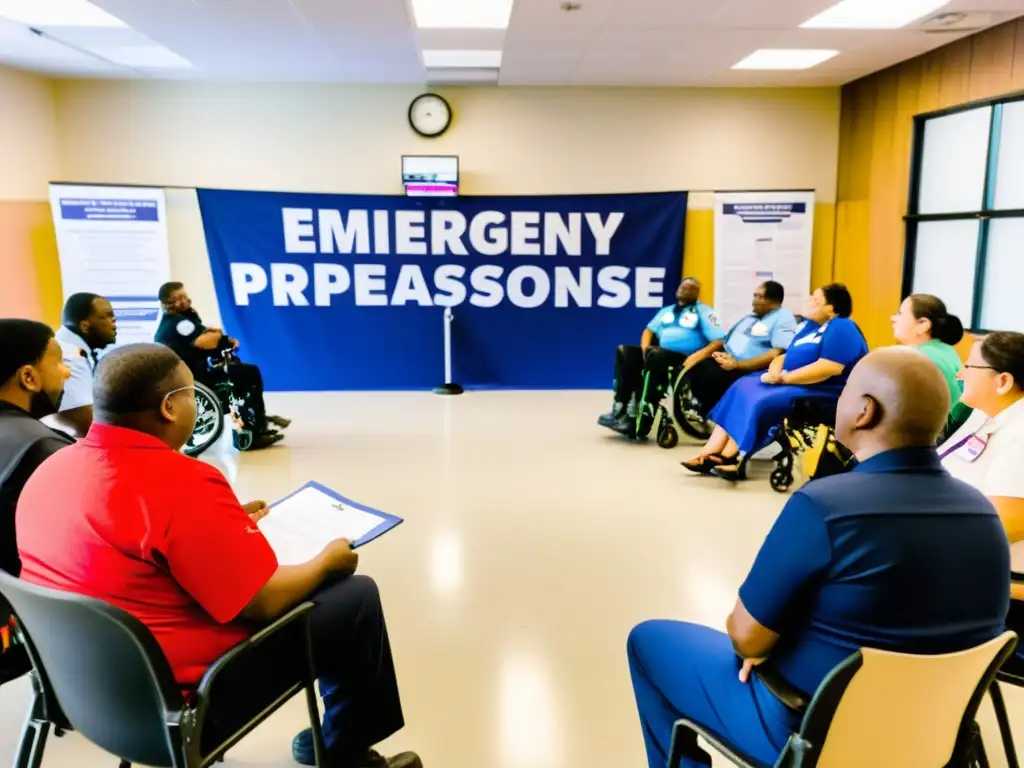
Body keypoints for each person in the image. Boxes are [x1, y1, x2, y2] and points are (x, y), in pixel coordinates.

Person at [16, 344, 420, 768]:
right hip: (181, 707)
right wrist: (327, 560)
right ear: (170, 406)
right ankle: (346, 750)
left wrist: (221, 523)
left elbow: (122, 544)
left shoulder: (52, 468)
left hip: (81, 690)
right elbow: (261, 601)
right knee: (354, 596)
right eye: (193, 390)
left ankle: (342, 732)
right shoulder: (183, 483)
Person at [627, 347, 1011, 768]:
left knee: (648, 641)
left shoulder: (825, 505)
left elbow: (746, 636)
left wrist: (767, 646)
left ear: (865, 411)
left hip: (808, 732)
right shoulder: (983, 513)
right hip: (935, 736)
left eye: (846, 391)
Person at [683, 283, 868, 480]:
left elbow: (829, 368)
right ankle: (710, 450)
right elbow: (783, 356)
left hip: (823, 389)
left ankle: (731, 456)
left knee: (760, 399)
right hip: (793, 382)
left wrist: (785, 378)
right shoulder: (808, 326)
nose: (808, 302)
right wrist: (775, 371)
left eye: (815, 300)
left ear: (831, 308)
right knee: (742, 386)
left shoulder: (842, 326)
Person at [938, 331, 1024, 676]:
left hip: (995, 588)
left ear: (1002, 381)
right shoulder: (984, 413)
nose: (959, 374)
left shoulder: (1020, 435)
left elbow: (1005, 525)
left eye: (969, 366)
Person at [0, 320, 72, 683]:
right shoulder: (42, 448)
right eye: (58, 362)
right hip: (16, 623)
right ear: (29, 377)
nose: (68, 372)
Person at [155, 281, 288, 450]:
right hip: (194, 381)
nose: (186, 300)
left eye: (184, 295)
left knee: (240, 370)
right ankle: (255, 425)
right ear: (169, 304)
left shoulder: (177, 322)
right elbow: (206, 342)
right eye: (179, 298)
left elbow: (201, 344)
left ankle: (256, 419)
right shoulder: (180, 323)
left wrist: (222, 341)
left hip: (188, 376)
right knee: (248, 374)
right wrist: (218, 335)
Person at [598, 277, 725, 436]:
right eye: (682, 287)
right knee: (624, 351)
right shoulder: (667, 311)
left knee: (657, 356)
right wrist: (645, 350)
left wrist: (696, 356)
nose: (685, 290)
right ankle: (621, 407)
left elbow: (718, 341)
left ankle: (643, 415)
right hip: (658, 354)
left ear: (697, 293)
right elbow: (648, 331)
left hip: (685, 358)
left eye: (690, 288)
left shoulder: (705, 312)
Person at [682, 281, 798, 417]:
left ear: (771, 300)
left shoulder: (783, 318)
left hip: (750, 369)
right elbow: (725, 341)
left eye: (758, 296)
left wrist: (737, 365)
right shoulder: (750, 318)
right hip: (728, 360)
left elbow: (777, 353)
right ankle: (705, 409)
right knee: (699, 364)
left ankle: (713, 413)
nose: (753, 301)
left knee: (709, 372)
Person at [891, 293, 970, 441]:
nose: (893, 319)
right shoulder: (946, 349)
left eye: (900, 314)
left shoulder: (915, 358)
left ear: (923, 325)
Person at [52, 292, 117, 436]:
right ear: (85, 327)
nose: (114, 323)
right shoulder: (68, 357)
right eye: (106, 316)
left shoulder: (76, 348)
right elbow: (84, 421)